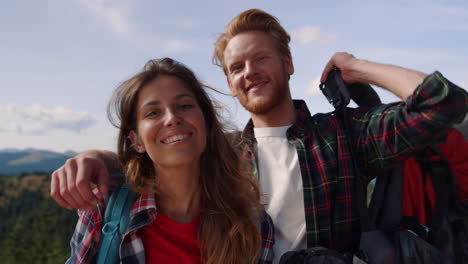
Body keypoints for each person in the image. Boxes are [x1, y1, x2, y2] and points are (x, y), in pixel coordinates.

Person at [52, 9, 468, 263]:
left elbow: (443, 101)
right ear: (230, 85)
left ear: (288, 64)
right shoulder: (224, 154)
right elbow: (156, 154)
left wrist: (354, 66)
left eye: (261, 58)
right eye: (236, 67)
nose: (249, 72)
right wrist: (97, 158)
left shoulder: (344, 134)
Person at [65, 57, 274, 264]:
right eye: (153, 112)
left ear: (206, 122)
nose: (172, 118)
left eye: (184, 105)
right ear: (136, 140)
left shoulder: (252, 222)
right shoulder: (101, 211)